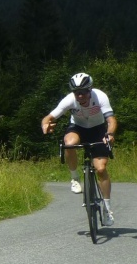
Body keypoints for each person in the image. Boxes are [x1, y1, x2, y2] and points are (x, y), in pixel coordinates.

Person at [40, 72, 118, 225]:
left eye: (82, 92)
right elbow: (49, 117)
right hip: (78, 127)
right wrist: (45, 125)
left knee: (101, 169)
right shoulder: (69, 100)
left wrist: (109, 134)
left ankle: (107, 209)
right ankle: (75, 178)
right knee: (69, 143)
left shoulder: (100, 97)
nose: (79, 96)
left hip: (98, 130)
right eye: (76, 93)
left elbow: (111, 120)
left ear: (90, 90)